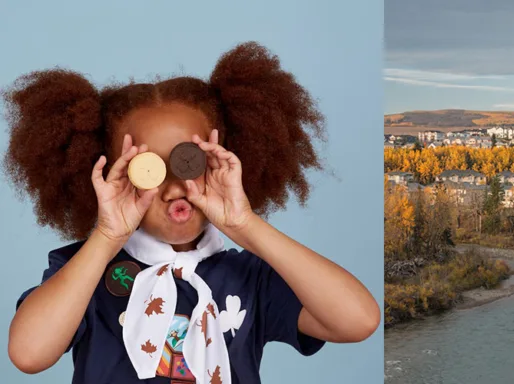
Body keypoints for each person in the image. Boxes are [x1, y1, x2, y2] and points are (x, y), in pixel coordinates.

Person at [3, 41, 380, 384]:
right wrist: (105, 237)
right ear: (113, 175)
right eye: (148, 170)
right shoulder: (83, 273)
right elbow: (28, 354)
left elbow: (359, 321)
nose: (172, 187)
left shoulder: (251, 278)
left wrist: (245, 225)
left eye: (188, 162)